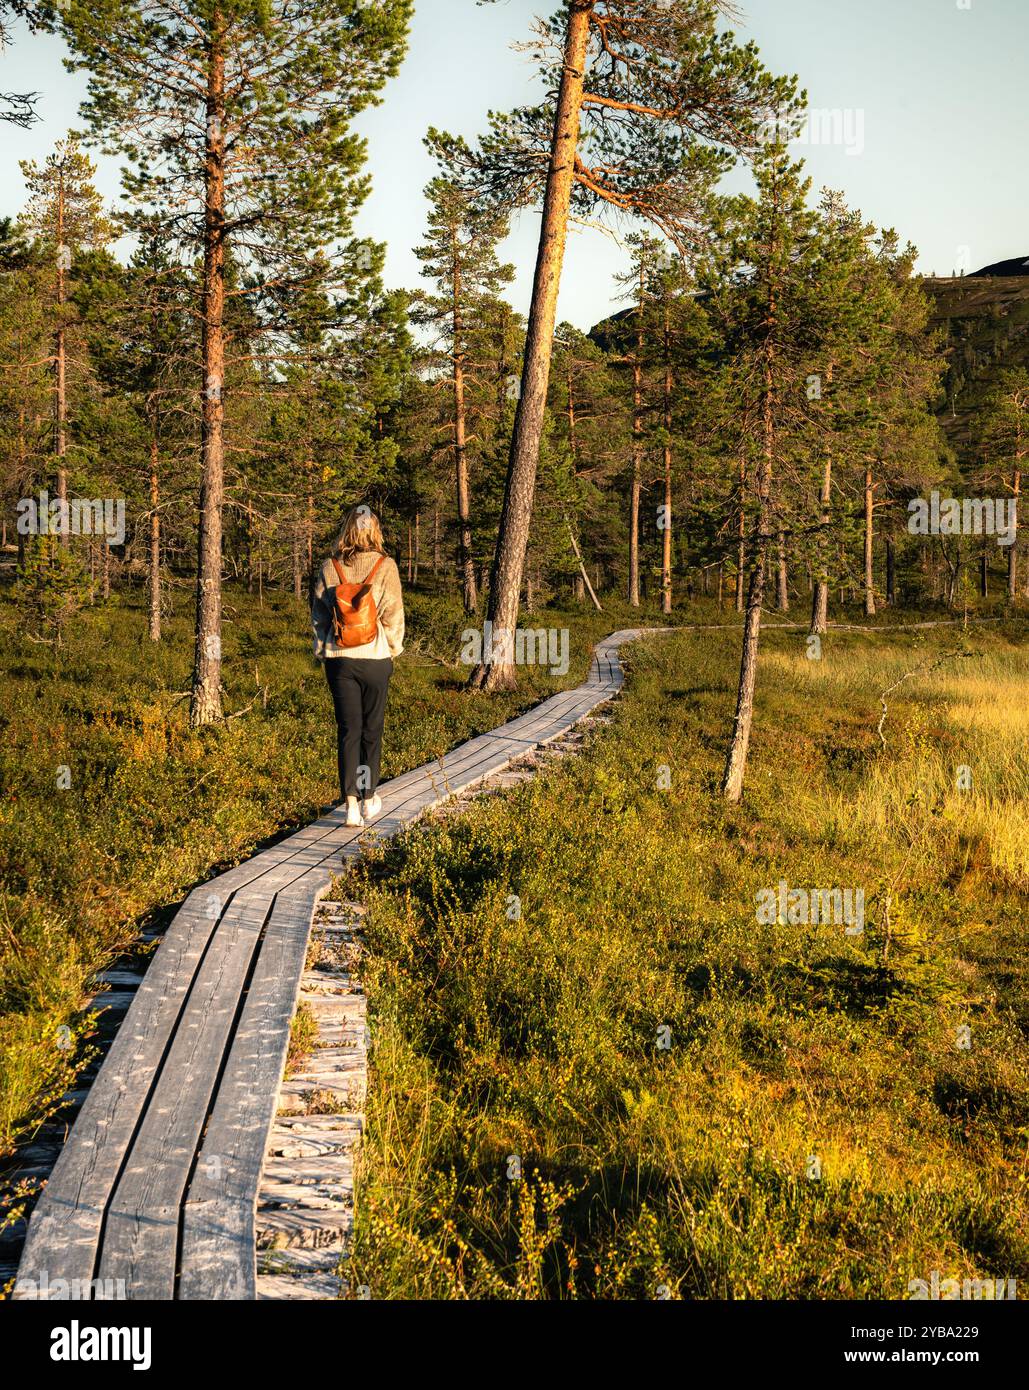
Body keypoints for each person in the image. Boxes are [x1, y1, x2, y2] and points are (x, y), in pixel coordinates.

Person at [311, 506, 405, 826]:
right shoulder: (386, 566)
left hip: (341, 662)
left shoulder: (329, 566)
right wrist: (391, 648)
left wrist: (324, 650)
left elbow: (319, 617)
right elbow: (393, 614)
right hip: (375, 660)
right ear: (374, 530)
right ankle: (368, 798)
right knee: (371, 732)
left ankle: (350, 804)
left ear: (348, 529)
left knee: (348, 731)